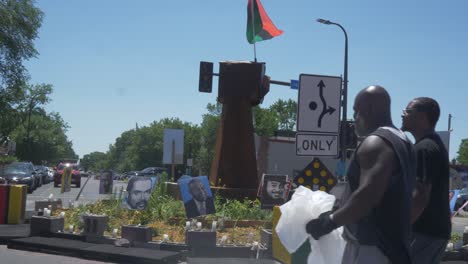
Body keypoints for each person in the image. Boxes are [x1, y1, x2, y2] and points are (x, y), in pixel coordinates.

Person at [305, 86, 416, 264]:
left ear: (369, 109)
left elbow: (368, 196)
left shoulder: (375, 142)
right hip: (394, 246)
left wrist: (329, 222)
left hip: (373, 247)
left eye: (356, 112)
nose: (354, 119)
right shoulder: (403, 140)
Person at [401, 97, 450, 263]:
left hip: (423, 233)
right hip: (432, 233)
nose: (402, 115)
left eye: (407, 111)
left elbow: (420, 195)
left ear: (422, 117)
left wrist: (399, 228)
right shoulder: (432, 145)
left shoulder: (424, 149)